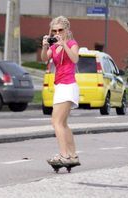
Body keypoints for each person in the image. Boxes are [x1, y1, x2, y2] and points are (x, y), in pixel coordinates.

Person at [40, 16, 80, 166]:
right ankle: (72, 155)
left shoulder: (71, 43)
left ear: (66, 30)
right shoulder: (53, 46)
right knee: (63, 123)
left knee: (56, 122)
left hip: (68, 85)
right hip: (60, 85)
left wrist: (64, 45)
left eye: (60, 30)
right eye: (54, 30)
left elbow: (75, 59)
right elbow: (44, 58)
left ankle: (64, 156)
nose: (57, 33)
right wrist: (44, 46)